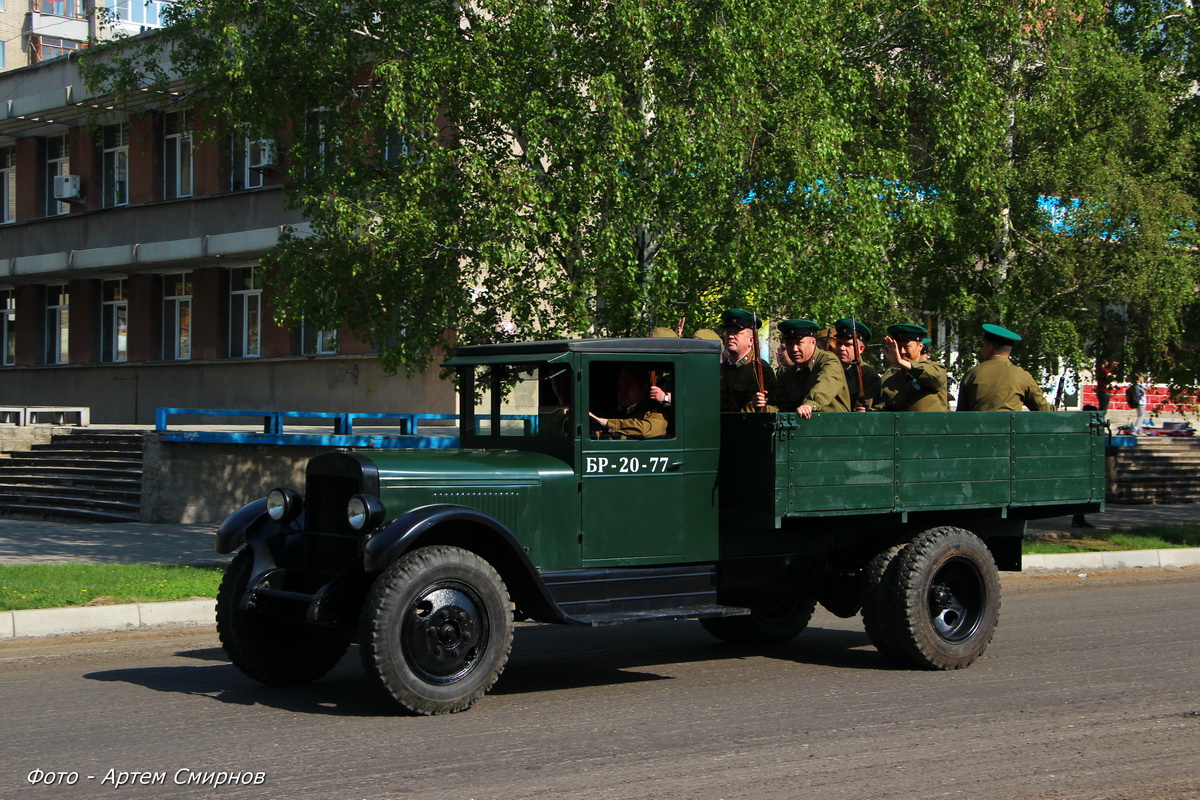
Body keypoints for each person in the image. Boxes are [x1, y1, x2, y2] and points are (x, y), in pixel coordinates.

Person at [956, 324, 1053, 412]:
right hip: (1010, 431)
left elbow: (961, 415)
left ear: (989, 348)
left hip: (979, 430)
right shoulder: (1022, 375)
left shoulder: (971, 374)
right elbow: (1043, 409)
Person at [775, 319, 851, 417]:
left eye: (799, 343)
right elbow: (782, 408)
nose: (794, 349)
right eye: (790, 344)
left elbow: (826, 385)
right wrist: (761, 406)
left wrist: (810, 405)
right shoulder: (788, 375)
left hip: (834, 428)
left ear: (813, 343)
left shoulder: (828, 361)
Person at [874, 323, 950, 411]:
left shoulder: (935, 368)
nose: (902, 351)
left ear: (920, 346)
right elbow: (882, 407)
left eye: (907, 347)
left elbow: (936, 378)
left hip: (930, 424)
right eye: (898, 347)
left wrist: (902, 363)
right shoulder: (891, 376)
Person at [719, 309, 778, 412]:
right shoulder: (721, 369)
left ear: (751, 340)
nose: (730, 336)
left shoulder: (761, 370)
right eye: (728, 332)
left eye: (737, 333)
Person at [588, 367, 668, 439]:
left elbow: (647, 429)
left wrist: (607, 422)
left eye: (628, 387)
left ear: (644, 388)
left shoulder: (654, 411)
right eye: (620, 388)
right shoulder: (619, 413)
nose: (622, 393)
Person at [832, 318, 880, 411]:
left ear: (861, 349)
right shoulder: (829, 369)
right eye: (839, 343)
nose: (841, 348)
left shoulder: (868, 375)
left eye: (848, 344)